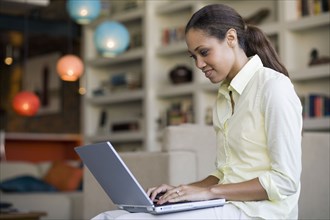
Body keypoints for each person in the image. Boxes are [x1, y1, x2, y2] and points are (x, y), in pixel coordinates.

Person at [93, 4, 302, 220]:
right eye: (194, 57)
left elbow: (285, 181)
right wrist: (181, 190)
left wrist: (208, 193)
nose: (199, 64)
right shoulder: (224, 96)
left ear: (231, 38)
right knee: (108, 217)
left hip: (260, 212)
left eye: (204, 52)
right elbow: (225, 174)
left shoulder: (274, 87)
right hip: (227, 205)